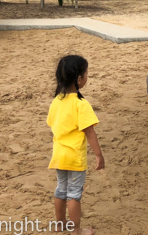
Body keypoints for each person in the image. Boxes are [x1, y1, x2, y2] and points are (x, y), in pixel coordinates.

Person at [47, 55, 105, 235]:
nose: (87, 77)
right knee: (74, 194)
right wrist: (98, 155)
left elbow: (51, 123)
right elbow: (90, 133)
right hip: (74, 158)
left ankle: (59, 224)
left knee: (60, 189)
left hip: (59, 155)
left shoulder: (56, 101)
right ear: (79, 79)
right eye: (86, 74)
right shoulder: (81, 104)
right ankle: (76, 230)